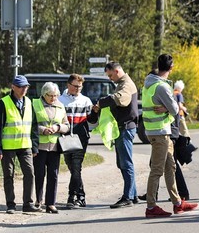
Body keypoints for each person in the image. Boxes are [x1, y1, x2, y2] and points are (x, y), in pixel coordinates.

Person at [140, 55, 197, 218]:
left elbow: (168, 107)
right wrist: (170, 107)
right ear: (171, 68)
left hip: (156, 131)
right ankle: (151, 207)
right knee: (157, 170)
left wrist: (167, 107)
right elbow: (174, 110)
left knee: (170, 166)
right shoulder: (162, 87)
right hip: (160, 133)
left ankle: (178, 203)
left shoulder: (148, 84)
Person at [90, 62, 140, 208]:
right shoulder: (123, 83)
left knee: (126, 163)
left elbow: (119, 99)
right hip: (123, 128)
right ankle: (133, 194)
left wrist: (100, 103)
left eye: (111, 75)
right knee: (123, 162)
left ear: (117, 71)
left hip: (125, 128)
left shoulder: (126, 84)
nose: (110, 78)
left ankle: (128, 197)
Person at [0, 75, 39, 214]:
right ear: (13, 87)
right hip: (8, 147)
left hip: (25, 145)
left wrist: (35, 145)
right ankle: (10, 204)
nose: (24, 89)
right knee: (9, 176)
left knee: (30, 173)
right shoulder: (4, 103)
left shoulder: (29, 102)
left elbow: (34, 126)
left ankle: (28, 204)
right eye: (21, 86)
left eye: (26, 86)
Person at [33, 82, 70, 214]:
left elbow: (67, 125)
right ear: (44, 94)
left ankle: (51, 203)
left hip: (55, 146)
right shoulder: (35, 104)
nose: (53, 98)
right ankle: (38, 201)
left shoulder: (60, 106)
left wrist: (58, 128)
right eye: (51, 96)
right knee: (39, 174)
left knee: (53, 176)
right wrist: (42, 129)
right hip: (40, 146)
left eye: (55, 95)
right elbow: (29, 125)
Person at [59, 74, 92, 208]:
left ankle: (72, 197)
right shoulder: (60, 100)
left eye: (80, 86)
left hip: (81, 139)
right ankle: (81, 196)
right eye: (75, 86)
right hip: (65, 138)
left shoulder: (85, 100)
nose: (78, 89)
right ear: (68, 85)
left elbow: (92, 121)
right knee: (72, 167)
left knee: (76, 167)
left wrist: (94, 114)